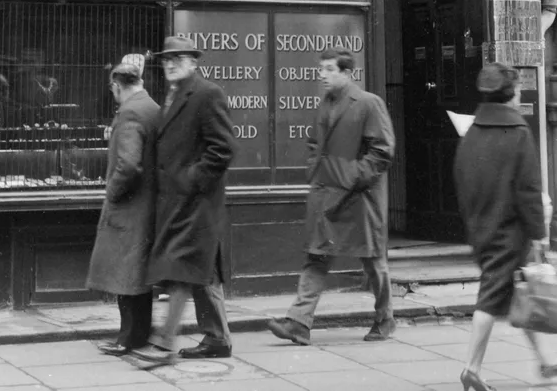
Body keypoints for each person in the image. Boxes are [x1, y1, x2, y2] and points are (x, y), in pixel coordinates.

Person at [267, 48, 396, 347]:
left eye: (329, 69)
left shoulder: (368, 103)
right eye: (321, 69)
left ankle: (385, 317)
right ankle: (299, 322)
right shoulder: (326, 104)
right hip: (327, 195)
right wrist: (315, 171)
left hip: (360, 198)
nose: (322, 74)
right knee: (317, 256)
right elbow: (315, 144)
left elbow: (382, 151)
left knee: (372, 259)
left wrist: (351, 177)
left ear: (347, 73)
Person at [453, 62, 557, 391]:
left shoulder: (471, 133)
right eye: (518, 90)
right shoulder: (518, 133)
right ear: (510, 95)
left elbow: (462, 181)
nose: (520, 96)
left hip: (481, 226)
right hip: (510, 231)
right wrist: (538, 237)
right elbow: (528, 191)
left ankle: (547, 361)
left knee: (519, 291)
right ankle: (471, 368)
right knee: (492, 297)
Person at [133, 35, 236, 365]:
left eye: (179, 58)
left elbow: (223, 149)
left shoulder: (207, 93)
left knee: (181, 268)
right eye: (166, 59)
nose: (170, 63)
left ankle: (164, 343)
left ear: (195, 62)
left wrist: (191, 179)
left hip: (196, 201)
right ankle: (218, 338)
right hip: (176, 201)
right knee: (199, 271)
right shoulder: (174, 94)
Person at [87, 57, 161, 356]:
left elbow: (129, 165)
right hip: (149, 204)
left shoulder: (129, 112)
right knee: (139, 275)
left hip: (129, 208)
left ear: (116, 87)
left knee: (124, 273)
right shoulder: (152, 107)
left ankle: (127, 338)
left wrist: (113, 193)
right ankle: (140, 334)